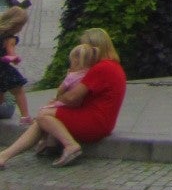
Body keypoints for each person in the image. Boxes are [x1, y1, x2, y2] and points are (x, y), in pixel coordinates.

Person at [0, 27, 126, 169]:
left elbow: (72, 98)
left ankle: (70, 146)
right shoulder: (113, 66)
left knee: (43, 116)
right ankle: (5, 156)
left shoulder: (101, 68)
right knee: (43, 119)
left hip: (94, 122)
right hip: (101, 120)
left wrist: (59, 97)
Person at [0, 8, 33, 123]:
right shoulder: (10, 39)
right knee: (18, 91)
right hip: (4, 69)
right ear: (16, 24)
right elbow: (11, 54)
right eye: (21, 26)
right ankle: (25, 116)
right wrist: (15, 59)